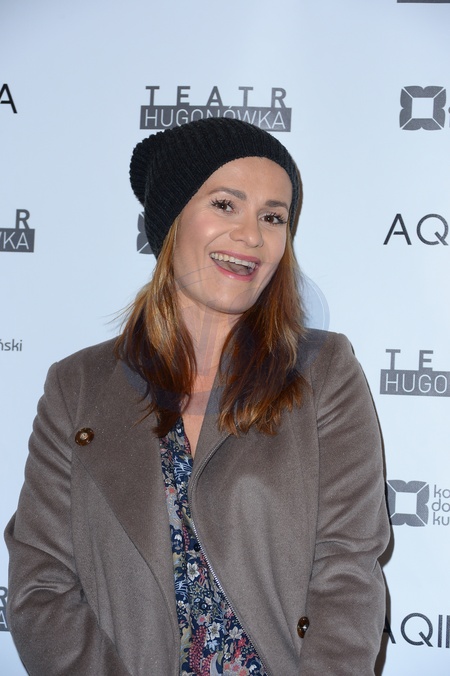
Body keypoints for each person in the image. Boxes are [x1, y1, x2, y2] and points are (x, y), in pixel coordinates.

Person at [5, 117, 390, 676]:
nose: (252, 236)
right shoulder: (77, 385)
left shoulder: (324, 371)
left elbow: (349, 571)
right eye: (226, 205)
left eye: (273, 217)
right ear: (171, 221)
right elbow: (40, 585)